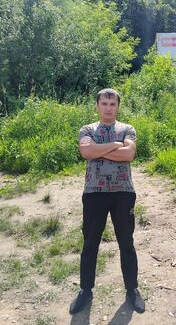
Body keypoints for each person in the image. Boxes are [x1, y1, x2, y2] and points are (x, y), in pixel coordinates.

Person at [69, 88, 145, 315]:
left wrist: (98, 150)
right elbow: (86, 152)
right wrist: (115, 145)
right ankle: (85, 290)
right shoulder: (87, 129)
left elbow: (128, 155)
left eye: (112, 104)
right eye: (104, 104)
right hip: (94, 192)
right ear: (97, 105)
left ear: (118, 106)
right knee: (90, 243)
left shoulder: (127, 129)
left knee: (126, 242)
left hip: (123, 193)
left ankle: (132, 289)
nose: (108, 108)